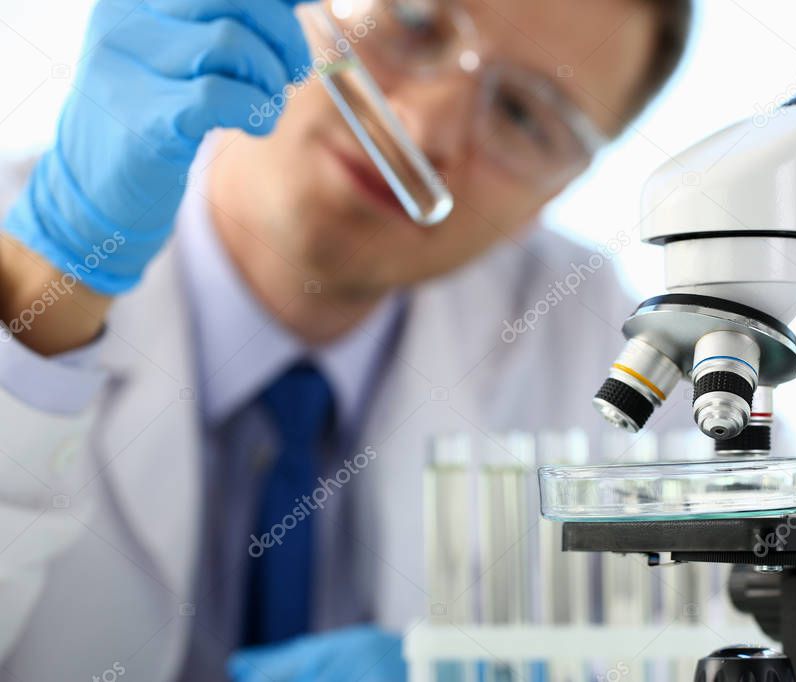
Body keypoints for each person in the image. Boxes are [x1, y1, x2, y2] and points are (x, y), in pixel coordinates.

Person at [0, 0, 691, 679]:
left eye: (521, 115)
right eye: (414, 24)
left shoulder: (607, 348)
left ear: (553, 193)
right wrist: (49, 285)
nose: (420, 129)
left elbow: (745, 623)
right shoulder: (42, 231)